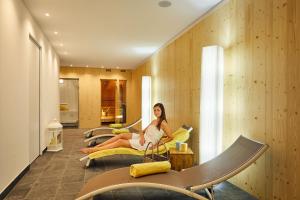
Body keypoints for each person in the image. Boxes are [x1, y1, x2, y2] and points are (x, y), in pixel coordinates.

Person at [80, 103, 173, 154]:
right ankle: (98, 146)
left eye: (158, 110)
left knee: (120, 142)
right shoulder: (153, 121)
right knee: (121, 135)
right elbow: (142, 131)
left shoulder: (163, 123)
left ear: (162, 111)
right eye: (155, 110)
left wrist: (156, 145)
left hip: (147, 144)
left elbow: (170, 137)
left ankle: (93, 150)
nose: (156, 112)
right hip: (142, 139)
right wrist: (141, 137)